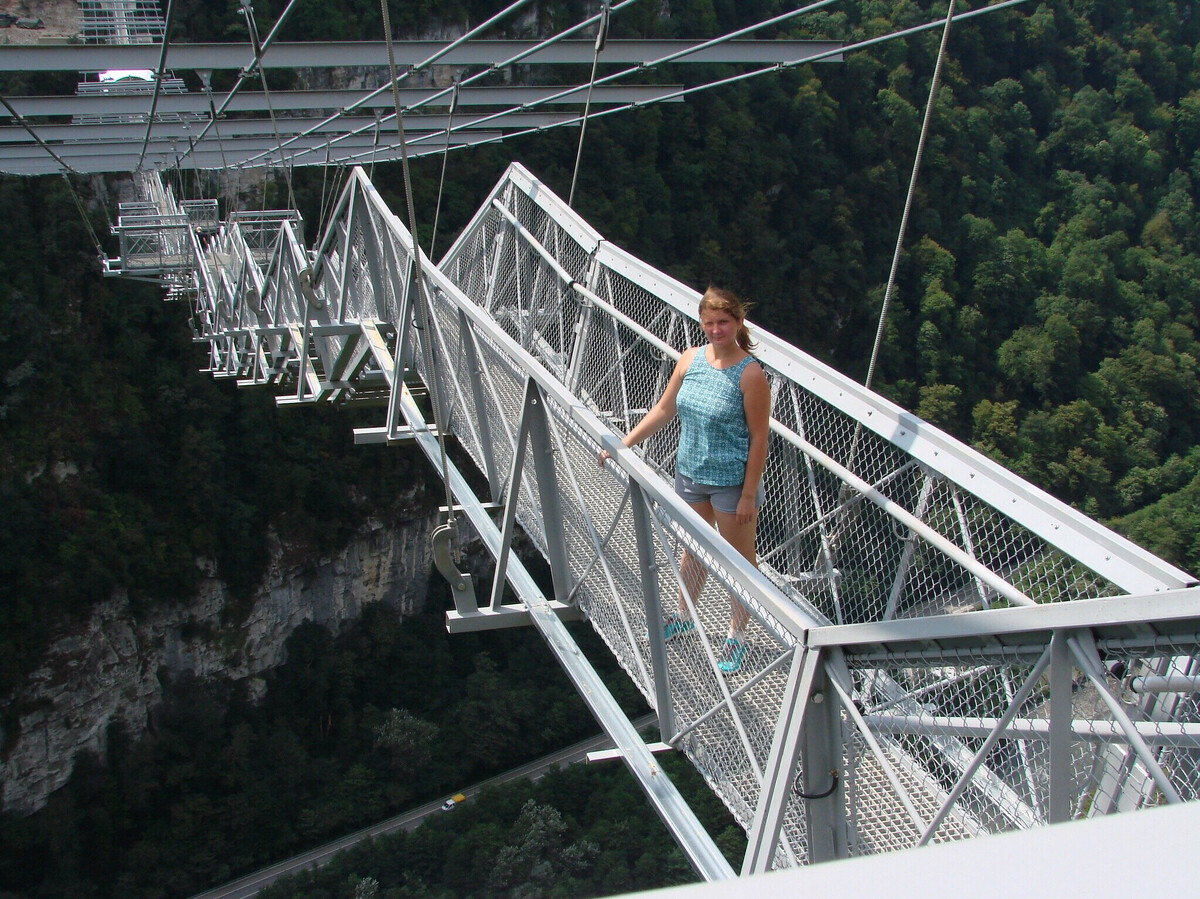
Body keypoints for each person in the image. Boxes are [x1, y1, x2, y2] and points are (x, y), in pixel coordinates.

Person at [598, 286, 770, 673]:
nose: (715, 329)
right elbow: (663, 409)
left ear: (738, 323)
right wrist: (621, 445)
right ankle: (684, 616)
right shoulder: (690, 359)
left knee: (738, 562)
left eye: (723, 322)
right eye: (708, 322)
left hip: (731, 483)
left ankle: (736, 638)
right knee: (692, 549)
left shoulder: (751, 374)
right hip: (690, 474)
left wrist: (746, 496)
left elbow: (760, 438)